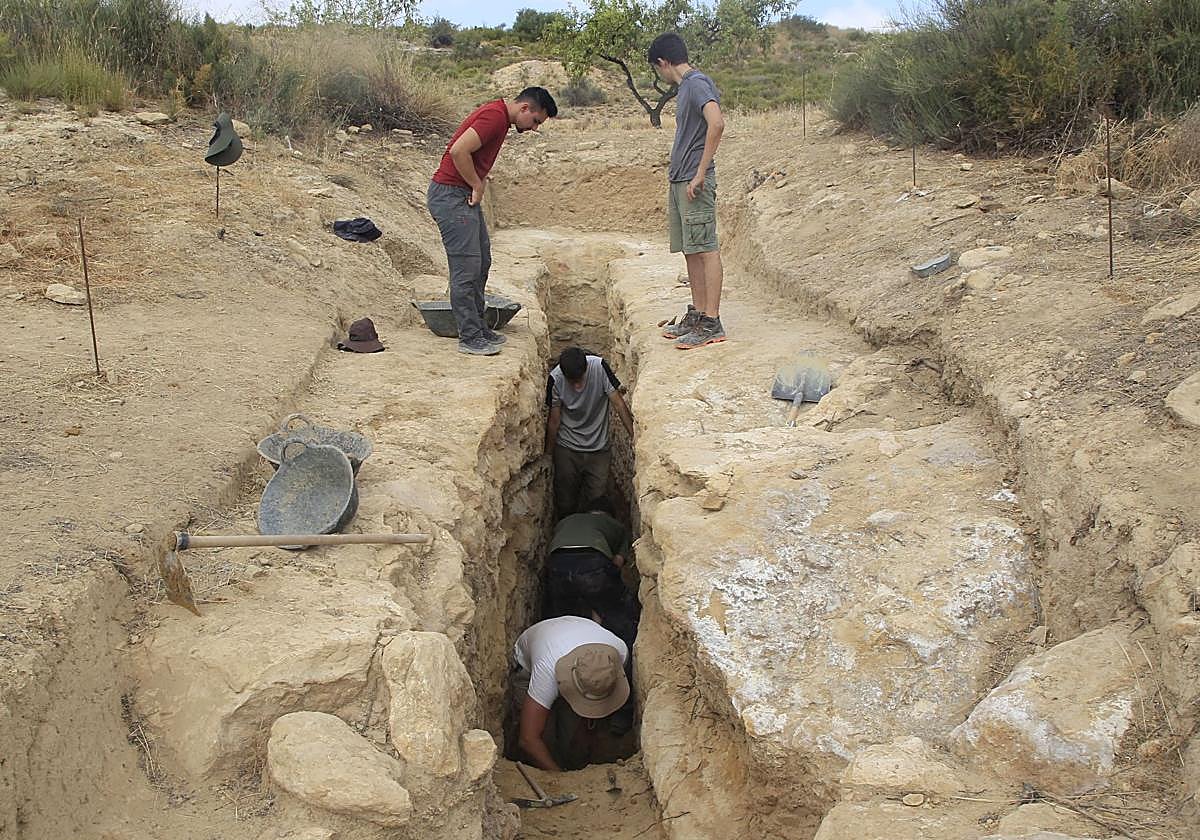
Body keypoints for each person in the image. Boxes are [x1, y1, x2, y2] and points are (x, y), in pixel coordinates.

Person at [427, 87, 558, 356]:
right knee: (466, 268)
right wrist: (477, 183)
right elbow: (459, 151)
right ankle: (470, 336)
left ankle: (477, 325)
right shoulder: (494, 117)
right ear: (525, 109)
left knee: (481, 261)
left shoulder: (499, 118)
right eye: (535, 121)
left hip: (460, 194)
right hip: (451, 195)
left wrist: (476, 183)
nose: (533, 129)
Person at [648, 32, 727, 350]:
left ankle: (712, 321)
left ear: (663, 62)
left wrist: (699, 172)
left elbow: (717, 123)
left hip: (694, 180)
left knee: (706, 248)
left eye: (657, 69)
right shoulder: (687, 88)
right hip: (681, 180)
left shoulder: (696, 83)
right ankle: (698, 314)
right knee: (691, 249)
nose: (660, 75)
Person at [512, 615, 630, 772]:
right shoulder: (546, 672)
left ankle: (572, 760)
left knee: (570, 733)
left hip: (573, 632)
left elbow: (598, 690)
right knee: (546, 737)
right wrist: (560, 778)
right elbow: (528, 739)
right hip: (533, 661)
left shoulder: (618, 654)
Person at [546, 347, 634, 516]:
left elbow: (619, 404)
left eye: (580, 379)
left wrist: (634, 437)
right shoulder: (555, 379)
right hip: (567, 450)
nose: (577, 386)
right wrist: (548, 455)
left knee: (596, 503)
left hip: (598, 450)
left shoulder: (599, 367)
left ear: (586, 368)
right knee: (565, 502)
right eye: (572, 382)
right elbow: (554, 421)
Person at [544, 497, 637, 644]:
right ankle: (623, 652)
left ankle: (563, 649)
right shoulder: (616, 526)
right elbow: (617, 562)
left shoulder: (566, 521)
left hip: (557, 564)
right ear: (609, 515)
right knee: (616, 609)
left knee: (563, 615)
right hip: (592, 562)